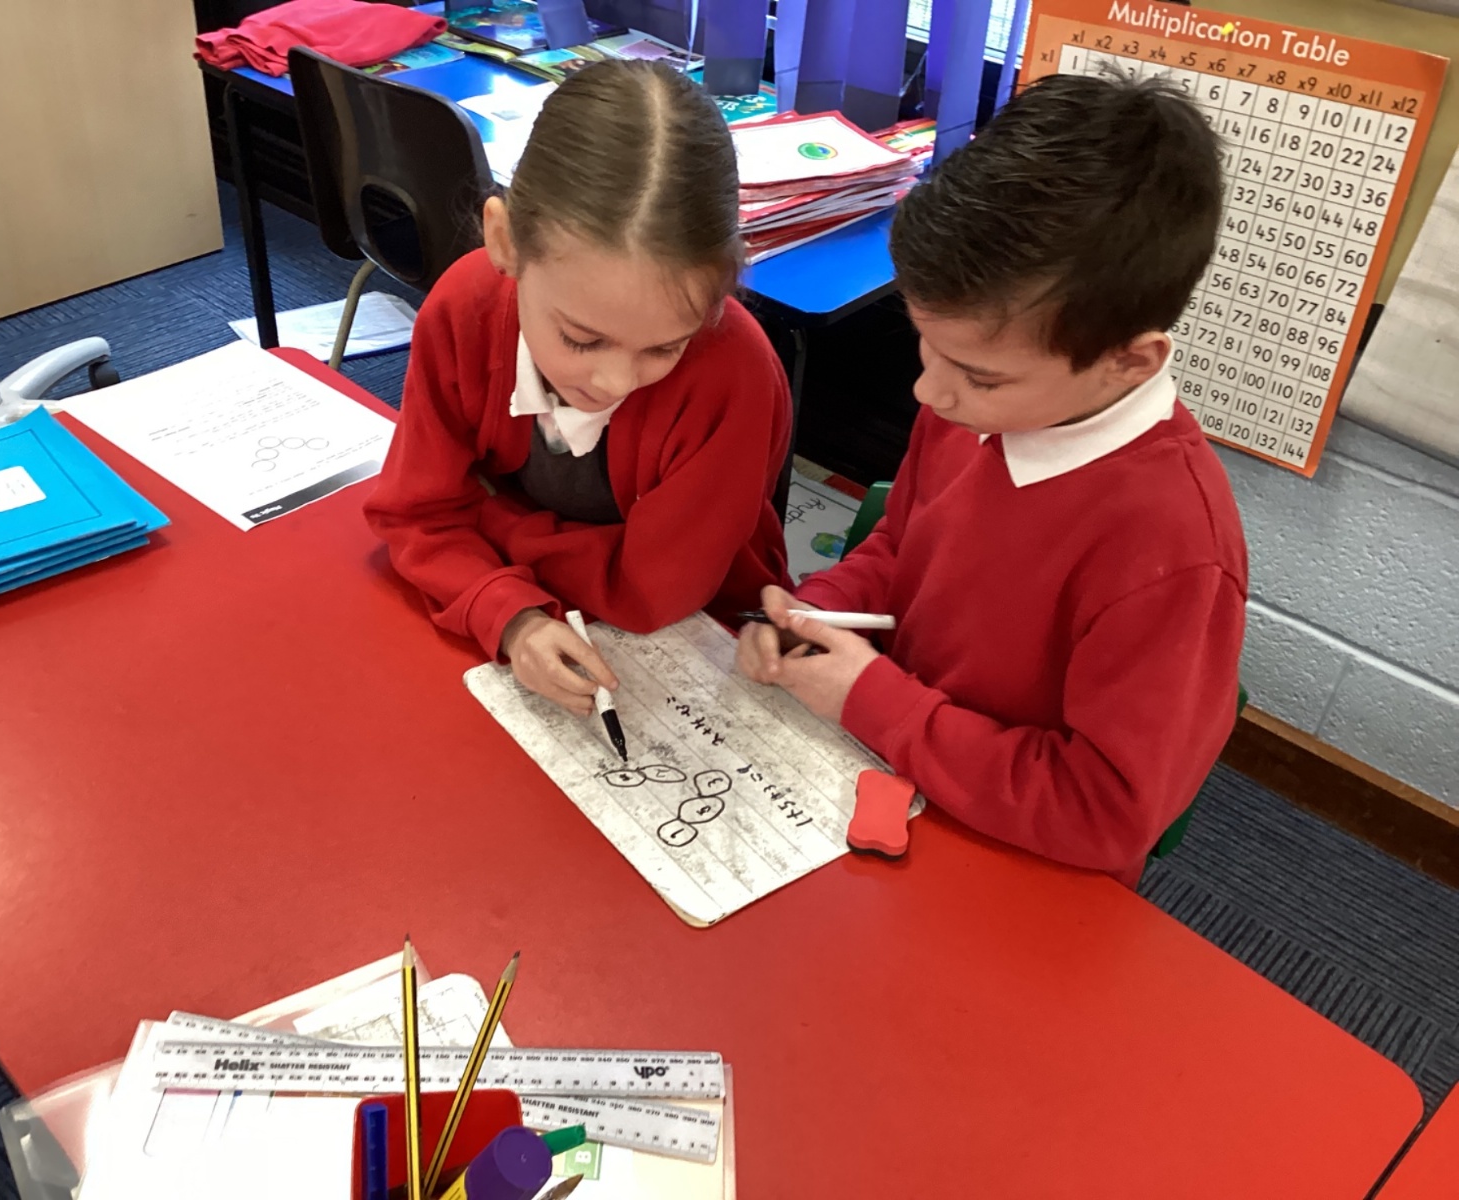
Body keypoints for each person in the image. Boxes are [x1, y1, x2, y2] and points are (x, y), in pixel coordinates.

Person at [737, 73, 1248, 886]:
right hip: (889, 782)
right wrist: (820, 610)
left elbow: (1104, 814)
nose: (929, 393)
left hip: (1019, 863)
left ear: (1130, 361)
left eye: (977, 374)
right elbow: (903, 546)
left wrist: (873, 699)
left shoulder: (1173, 548)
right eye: (925, 345)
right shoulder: (979, 405)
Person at [365, 60, 792, 716]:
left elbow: (651, 595)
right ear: (504, 240)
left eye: (665, 347)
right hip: (537, 625)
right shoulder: (463, 309)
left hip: (707, 648)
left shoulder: (733, 372)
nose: (615, 381)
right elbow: (414, 516)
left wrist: (481, 519)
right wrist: (512, 615)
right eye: (582, 339)